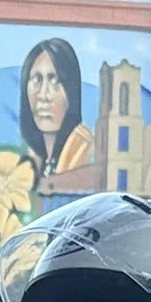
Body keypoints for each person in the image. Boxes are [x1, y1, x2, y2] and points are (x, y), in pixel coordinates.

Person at [19, 39, 99, 199]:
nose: (43, 95)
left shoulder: (89, 153)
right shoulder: (28, 159)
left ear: (71, 90)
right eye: (36, 79)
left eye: (55, 81)